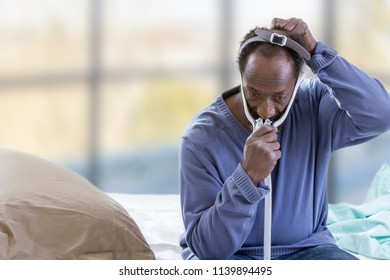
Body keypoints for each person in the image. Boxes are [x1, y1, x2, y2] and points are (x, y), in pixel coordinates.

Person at [179, 17, 390, 260]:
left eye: (279, 97)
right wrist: (247, 178)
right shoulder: (201, 137)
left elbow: (381, 114)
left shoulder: (315, 104)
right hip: (233, 257)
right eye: (254, 93)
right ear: (242, 78)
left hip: (309, 250)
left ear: (297, 83)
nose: (265, 111)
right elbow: (207, 250)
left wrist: (316, 54)